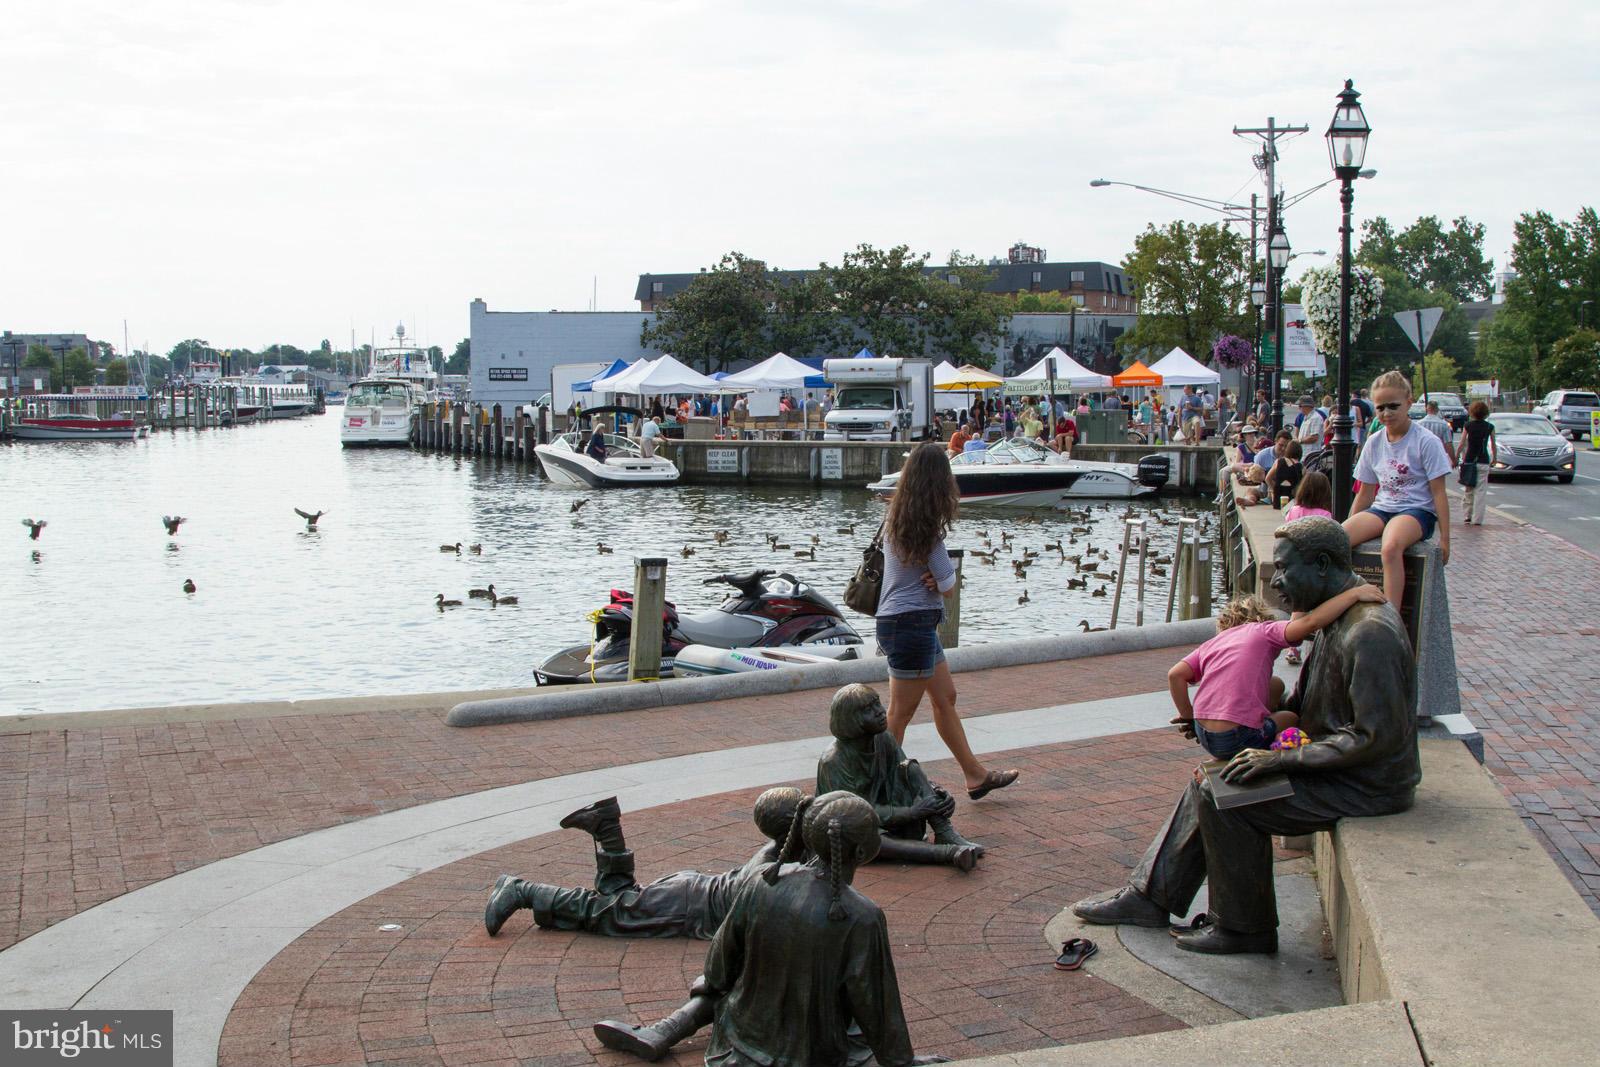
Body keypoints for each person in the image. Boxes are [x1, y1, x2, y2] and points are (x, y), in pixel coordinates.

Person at [1073, 518, 1419, 955]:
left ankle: (1244, 928)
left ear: (1324, 565)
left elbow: (1376, 739)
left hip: (1365, 784)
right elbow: (1308, 702)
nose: (1278, 583)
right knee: (1210, 776)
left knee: (1228, 799)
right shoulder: (1335, 619)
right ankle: (1150, 897)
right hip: (1337, 766)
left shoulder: (1368, 632)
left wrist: (1280, 760)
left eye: (1287, 570)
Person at [695, 792, 948, 1067]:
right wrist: (902, 1061)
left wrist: (715, 987)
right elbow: (875, 1005)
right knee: (857, 1035)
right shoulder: (862, 916)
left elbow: (719, 963)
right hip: (808, 1055)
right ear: (862, 853)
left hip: (736, 1042)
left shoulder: (763, 879)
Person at [876, 445, 1018, 800]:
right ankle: (877, 787)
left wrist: (935, 581)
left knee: (945, 697)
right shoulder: (928, 533)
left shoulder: (896, 520)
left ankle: (974, 775)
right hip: (912, 625)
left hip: (904, 623)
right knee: (900, 714)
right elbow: (949, 585)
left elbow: (932, 579)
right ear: (939, 484)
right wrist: (939, 581)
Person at [483, 788, 806, 939]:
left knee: (617, 898)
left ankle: (606, 825)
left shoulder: (782, 849)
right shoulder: (774, 866)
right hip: (687, 904)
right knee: (610, 912)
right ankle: (522, 890)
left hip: (688, 893)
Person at [1167, 582, 1387, 761]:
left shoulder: (1214, 642)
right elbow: (1310, 623)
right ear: (1262, 618)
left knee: (1275, 685)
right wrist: (1354, 594)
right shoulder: (1263, 630)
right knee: (1290, 717)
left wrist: (1188, 717)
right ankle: (1268, 752)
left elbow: (1175, 675)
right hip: (1237, 738)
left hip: (1205, 734)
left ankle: (1243, 736)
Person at [816, 684, 983, 869]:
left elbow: (905, 776)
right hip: (849, 826)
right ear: (850, 719)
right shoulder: (834, 760)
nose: (879, 712)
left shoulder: (883, 738)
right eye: (868, 710)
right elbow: (855, 814)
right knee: (872, 841)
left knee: (910, 768)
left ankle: (944, 830)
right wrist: (912, 812)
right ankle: (947, 853)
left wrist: (934, 795)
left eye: (877, 704)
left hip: (887, 814)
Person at [1344, 370, 1452, 609]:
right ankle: (1343, 601)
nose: (1386, 413)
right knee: (1338, 539)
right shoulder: (1374, 442)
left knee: (1391, 546)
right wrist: (1353, 523)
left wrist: (1445, 539)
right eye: (1380, 408)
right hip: (1382, 508)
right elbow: (1365, 492)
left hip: (1416, 511)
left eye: (1393, 406)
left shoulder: (1426, 441)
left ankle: (1391, 618)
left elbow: (1439, 493)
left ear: (1409, 403)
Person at [1456, 401, 1497, 525]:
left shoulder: (1468, 426)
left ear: (1472, 412)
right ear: (1485, 413)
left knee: (1468, 488)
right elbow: (1493, 444)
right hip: (1483, 460)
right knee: (1480, 491)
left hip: (1469, 460)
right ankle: (1478, 519)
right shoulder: (1490, 427)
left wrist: (1456, 455)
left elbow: (1462, 443)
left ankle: (1467, 516)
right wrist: (1494, 458)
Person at [1418, 401, 1458, 466]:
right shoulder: (1444, 425)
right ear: (1437, 410)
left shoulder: (1419, 424)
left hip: (1422, 457)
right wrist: (1453, 460)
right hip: (1438, 457)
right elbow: (1448, 444)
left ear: (1427, 409)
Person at [1267, 439, 1303, 508]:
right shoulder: (1301, 466)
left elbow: (1268, 478)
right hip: (1292, 500)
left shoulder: (1278, 461)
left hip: (1278, 498)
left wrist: (1273, 488)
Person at [1294, 396, 1325, 467]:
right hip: (1305, 454)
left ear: (1306, 406)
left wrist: (1299, 441)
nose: (1299, 408)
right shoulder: (1307, 417)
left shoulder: (1315, 418)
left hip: (1311, 455)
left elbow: (1314, 437)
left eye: (1300, 406)